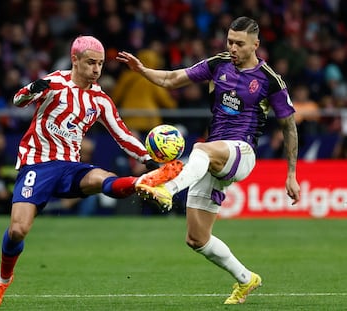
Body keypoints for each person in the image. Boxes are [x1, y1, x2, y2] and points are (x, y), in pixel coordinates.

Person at [0, 35, 181, 308]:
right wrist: (31, 88)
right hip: (38, 164)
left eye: (100, 64)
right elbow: (18, 101)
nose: (97, 69)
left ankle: (142, 182)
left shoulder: (100, 99)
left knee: (103, 178)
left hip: (70, 166)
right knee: (17, 230)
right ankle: (3, 281)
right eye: (91, 63)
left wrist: (147, 158)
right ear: (75, 60)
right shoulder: (54, 83)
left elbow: (121, 134)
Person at [117, 16, 301, 305]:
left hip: (242, 152)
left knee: (201, 149)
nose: (233, 47)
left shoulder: (270, 80)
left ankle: (167, 188)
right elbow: (171, 79)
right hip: (216, 156)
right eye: (230, 41)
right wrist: (142, 71)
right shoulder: (219, 64)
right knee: (197, 239)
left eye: (239, 43)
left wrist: (291, 174)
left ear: (256, 44)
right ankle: (246, 279)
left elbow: (289, 126)